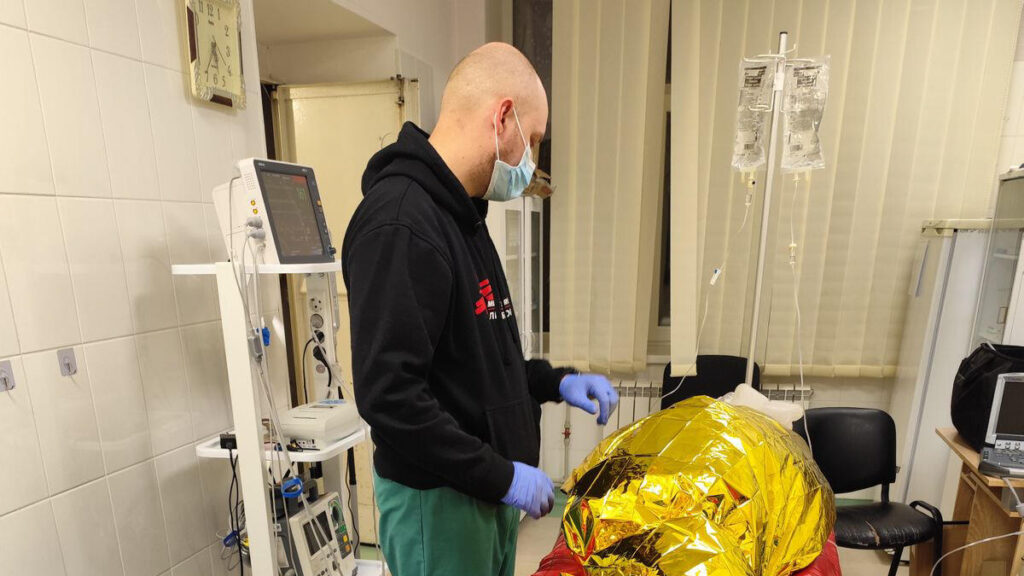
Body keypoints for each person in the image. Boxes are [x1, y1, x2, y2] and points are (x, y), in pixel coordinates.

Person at [342, 42, 619, 576]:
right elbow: (390, 397)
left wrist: (552, 381)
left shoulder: (463, 216)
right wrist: (503, 477)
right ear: (503, 117)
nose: (533, 159)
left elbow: (477, 359)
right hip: (439, 501)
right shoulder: (401, 223)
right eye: (533, 139)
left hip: (480, 493)